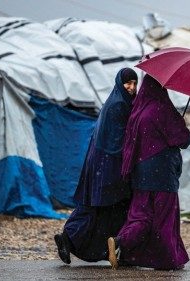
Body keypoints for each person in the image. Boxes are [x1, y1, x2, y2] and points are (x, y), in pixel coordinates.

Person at [54, 67, 138, 264]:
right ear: (119, 83)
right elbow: (119, 140)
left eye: (134, 83)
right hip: (108, 165)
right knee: (98, 208)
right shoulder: (118, 105)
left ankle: (73, 240)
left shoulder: (117, 102)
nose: (132, 87)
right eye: (128, 83)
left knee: (97, 207)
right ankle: (69, 238)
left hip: (103, 163)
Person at [107, 74, 190, 270]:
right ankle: (166, 259)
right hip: (162, 173)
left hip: (140, 172)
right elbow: (183, 140)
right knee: (164, 216)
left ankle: (120, 242)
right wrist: (180, 124)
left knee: (140, 216)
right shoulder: (162, 109)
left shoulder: (138, 110)